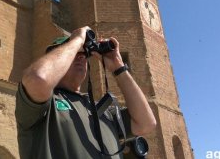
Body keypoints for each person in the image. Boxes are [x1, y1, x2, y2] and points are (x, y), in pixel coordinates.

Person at [15, 26, 156, 159]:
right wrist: (76, 40)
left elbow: (146, 123)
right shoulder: (45, 104)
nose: (82, 57)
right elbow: (38, 79)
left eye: (84, 54)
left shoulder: (102, 111)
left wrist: (118, 67)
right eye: (75, 53)